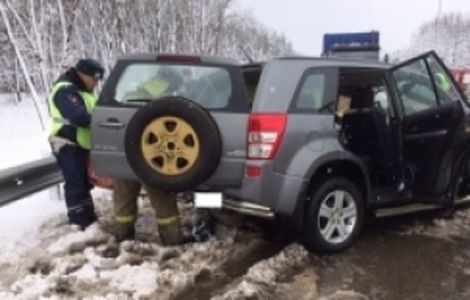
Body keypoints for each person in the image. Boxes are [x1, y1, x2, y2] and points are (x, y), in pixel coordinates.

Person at [48, 58, 104, 230]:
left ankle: (89, 219)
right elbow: (78, 116)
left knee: (83, 184)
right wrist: (104, 121)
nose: (96, 83)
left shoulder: (83, 90)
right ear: (83, 74)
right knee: (75, 184)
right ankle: (78, 222)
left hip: (80, 144)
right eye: (94, 79)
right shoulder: (65, 90)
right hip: (67, 144)